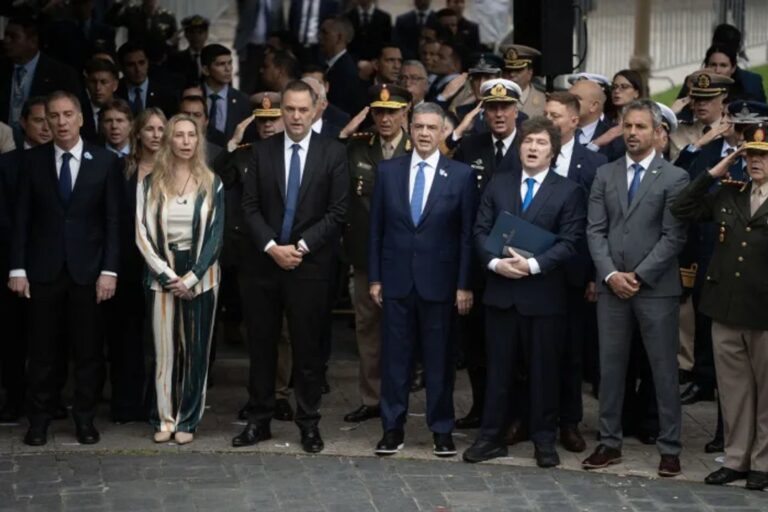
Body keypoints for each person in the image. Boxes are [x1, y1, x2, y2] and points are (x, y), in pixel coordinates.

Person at [463, 116, 586, 468]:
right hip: (501, 292)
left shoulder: (568, 191)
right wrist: (494, 264)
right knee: (497, 370)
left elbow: (570, 241)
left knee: (544, 371)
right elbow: (480, 231)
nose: (532, 148)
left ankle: (544, 440)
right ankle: (490, 437)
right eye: (528, 142)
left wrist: (533, 266)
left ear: (554, 152)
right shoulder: (497, 185)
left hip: (543, 296)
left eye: (541, 143)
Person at [233, 80, 349, 453]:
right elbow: (248, 207)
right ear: (280, 111)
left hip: (310, 264)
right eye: (290, 109)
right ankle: (259, 420)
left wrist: (299, 246)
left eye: (303, 109)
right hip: (263, 265)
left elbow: (337, 211)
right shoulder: (260, 152)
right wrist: (271, 247)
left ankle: (309, 422)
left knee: (308, 349)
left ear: (316, 110)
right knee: (263, 347)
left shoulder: (332, 152)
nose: (296, 116)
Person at [582, 99, 689, 477]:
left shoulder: (674, 178)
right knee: (610, 369)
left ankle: (670, 447)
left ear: (658, 133)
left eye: (640, 127)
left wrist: (639, 277)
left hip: (656, 290)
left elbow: (673, 237)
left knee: (663, 370)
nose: (632, 133)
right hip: (612, 289)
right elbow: (594, 230)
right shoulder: (605, 174)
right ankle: (609, 442)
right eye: (628, 126)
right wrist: (611, 275)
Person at [9, 90, 121, 446]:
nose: (60, 122)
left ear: (81, 118)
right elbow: (22, 219)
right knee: (42, 352)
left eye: (67, 115)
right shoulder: (33, 161)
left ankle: (84, 420)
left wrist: (110, 271)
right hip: (43, 271)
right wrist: (17, 269)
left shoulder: (104, 161)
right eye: (53, 116)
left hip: (89, 274)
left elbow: (113, 221)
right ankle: (39, 420)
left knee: (88, 353)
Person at [368, 102, 475, 457]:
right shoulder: (388, 171)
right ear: (409, 129)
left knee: (439, 361)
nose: (425, 133)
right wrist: (375, 278)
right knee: (395, 361)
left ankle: (441, 429)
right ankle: (392, 428)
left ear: (443, 131)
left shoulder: (459, 175)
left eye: (432, 127)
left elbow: (465, 235)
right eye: (419, 127)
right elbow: (376, 230)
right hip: (396, 280)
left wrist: (463, 283)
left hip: (440, 284)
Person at [670, 123, 768, 491]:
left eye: (763, 155)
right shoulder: (731, 193)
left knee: (766, 394)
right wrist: (714, 171)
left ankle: (763, 462)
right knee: (734, 391)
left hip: (764, 312)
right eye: (751, 154)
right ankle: (736, 458)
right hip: (725, 308)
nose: (756, 161)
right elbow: (682, 207)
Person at [135, 114, 224, 445]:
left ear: (198, 141)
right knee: (164, 351)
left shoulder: (212, 182)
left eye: (192, 136)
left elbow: (216, 235)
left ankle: (188, 418)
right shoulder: (149, 183)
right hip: (162, 274)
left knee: (196, 350)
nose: (186, 141)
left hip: (202, 276)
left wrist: (193, 276)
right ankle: (163, 417)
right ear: (169, 140)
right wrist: (169, 275)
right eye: (179, 135)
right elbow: (141, 235)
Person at [343, 84, 412, 424]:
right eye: (379, 111)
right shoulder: (358, 148)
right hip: (364, 255)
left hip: (405, 256)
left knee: (402, 328)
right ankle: (371, 397)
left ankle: (397, 397)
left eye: (392, 111)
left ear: (405, 112)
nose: (385, 118)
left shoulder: (418, 148)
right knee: (367, 327)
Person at [544, 91, 607, 452]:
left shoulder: (592, 164)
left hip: (574, 272)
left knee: (570, 351)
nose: (549, 121)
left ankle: (568, 421)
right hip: (532, 269)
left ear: (574, 120)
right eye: (546, 114)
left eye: (556, 116)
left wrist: (594, 275)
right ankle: (530, 416)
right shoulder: (530, 153)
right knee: (530, 348)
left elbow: (599, 223)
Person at [107, 107, 166, 424]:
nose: (156, 135)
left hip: (163, 265)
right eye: (150, 129)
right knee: (125, 337)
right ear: (138, 133)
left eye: (161, 129)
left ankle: (156, 404)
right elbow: (112, 218)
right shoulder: (121, 169)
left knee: (159, 338)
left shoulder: (175, 169)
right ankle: (125, 403)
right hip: (128, 264)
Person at [0, 97, 52, 422]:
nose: (47, 127)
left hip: (54, 264)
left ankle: (48, 400)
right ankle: (13, 398)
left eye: (51, 120)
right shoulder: (8, 164)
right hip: (12, 262)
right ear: (23, 124)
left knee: (51, 337)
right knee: (12, 336)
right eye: (38, 121)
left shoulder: (65, 161)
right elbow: (5, 217)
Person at [0, 16, 82, 128]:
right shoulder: (2, 69)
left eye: (13, 37)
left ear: (32, 41)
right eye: (6, 35)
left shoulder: (62, 74)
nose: (6, 40)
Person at [669, 71, 732, 161]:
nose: (701, 103)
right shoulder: (679, 132)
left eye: (708, 98)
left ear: (723, 100)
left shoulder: (732, 130)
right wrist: (670, 114)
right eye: (697, 98)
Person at [201, 44, 254, 148]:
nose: (228, 69)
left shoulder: (243, 101)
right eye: (221, 64)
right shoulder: (194, 96)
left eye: (230, 63)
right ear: (206, 70)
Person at [233, 0, 285, 94]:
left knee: (268, 85)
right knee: (247, 85)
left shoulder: (276, 2)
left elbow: (280, 22)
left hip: (269, 48)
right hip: (249, 48)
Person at [116, 41, 178, 118]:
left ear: (148, 63)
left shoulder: (165, 93)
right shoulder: (115, 92)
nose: (138, 69)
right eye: (131, 65)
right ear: (122, 67)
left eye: (141, 63)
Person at [320, 16, 363, 116]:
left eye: (325, 33)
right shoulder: (328, 66)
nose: (320, 37)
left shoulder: (346, 71)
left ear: (339, 37)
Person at [288, 0, 340, 65]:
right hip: (297, 46)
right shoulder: (297, 2)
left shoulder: (330, 2)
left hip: (319, 48)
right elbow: (291, 22)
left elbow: (333, 24)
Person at [501, 45, 546, 118]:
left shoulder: (544, 101)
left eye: (518, 70)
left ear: (530, 73)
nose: (512, 74)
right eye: (507, 71)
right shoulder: (493, 100)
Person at [82, 58, 120, 143]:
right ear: (87, 84)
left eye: (104, 82)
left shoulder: (129, 110)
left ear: (115, 85)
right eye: (93, 82)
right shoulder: (79, 112)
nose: (98, 88)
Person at [168, 15, 210, 87]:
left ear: (206, 35)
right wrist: (169, 43)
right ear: (186, 35)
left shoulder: (213, 58)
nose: (196, 36)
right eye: (192, 32)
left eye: (200, 32)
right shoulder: (177, 59)